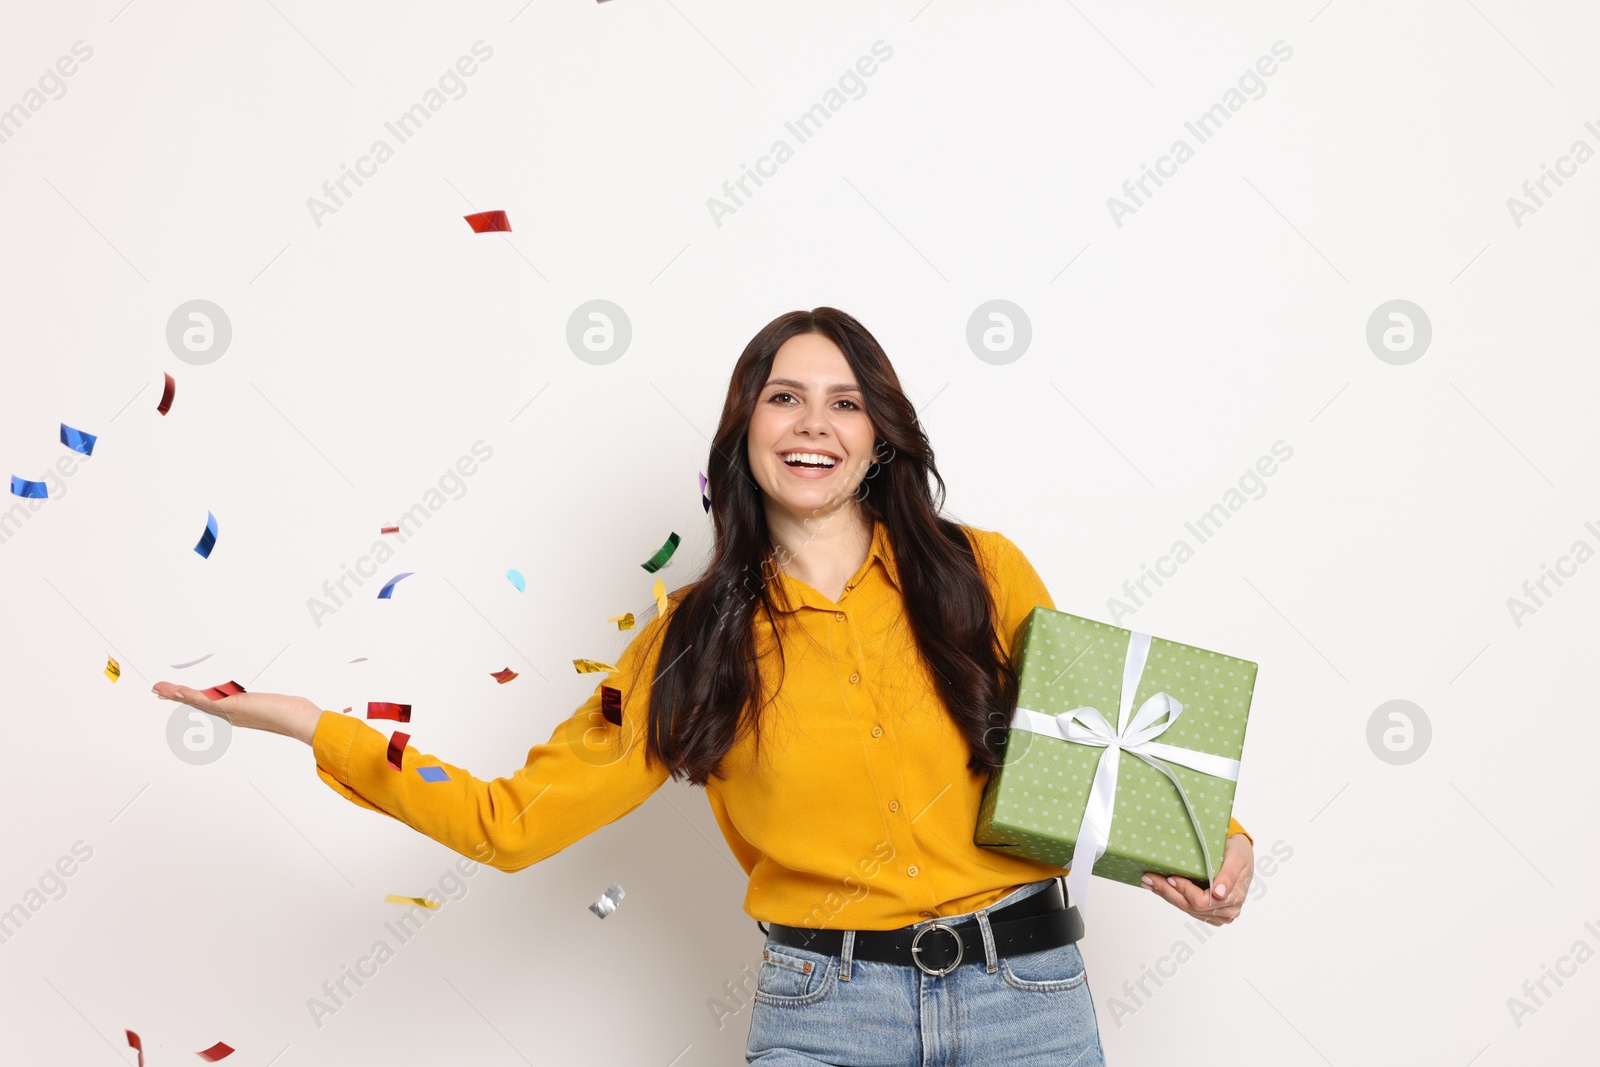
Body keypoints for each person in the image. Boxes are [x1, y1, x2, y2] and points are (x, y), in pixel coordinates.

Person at [153, 307, 1254, 1065]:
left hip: (1030, 999)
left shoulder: (984, 569)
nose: (813, 423)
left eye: (844, 401)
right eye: (784, 398)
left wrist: (1217, 838)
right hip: (828, 1014)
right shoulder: (691, 641)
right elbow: (512, 822)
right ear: (745, 430)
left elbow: (1105, 738)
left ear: (879, 436)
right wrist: (312, 726)